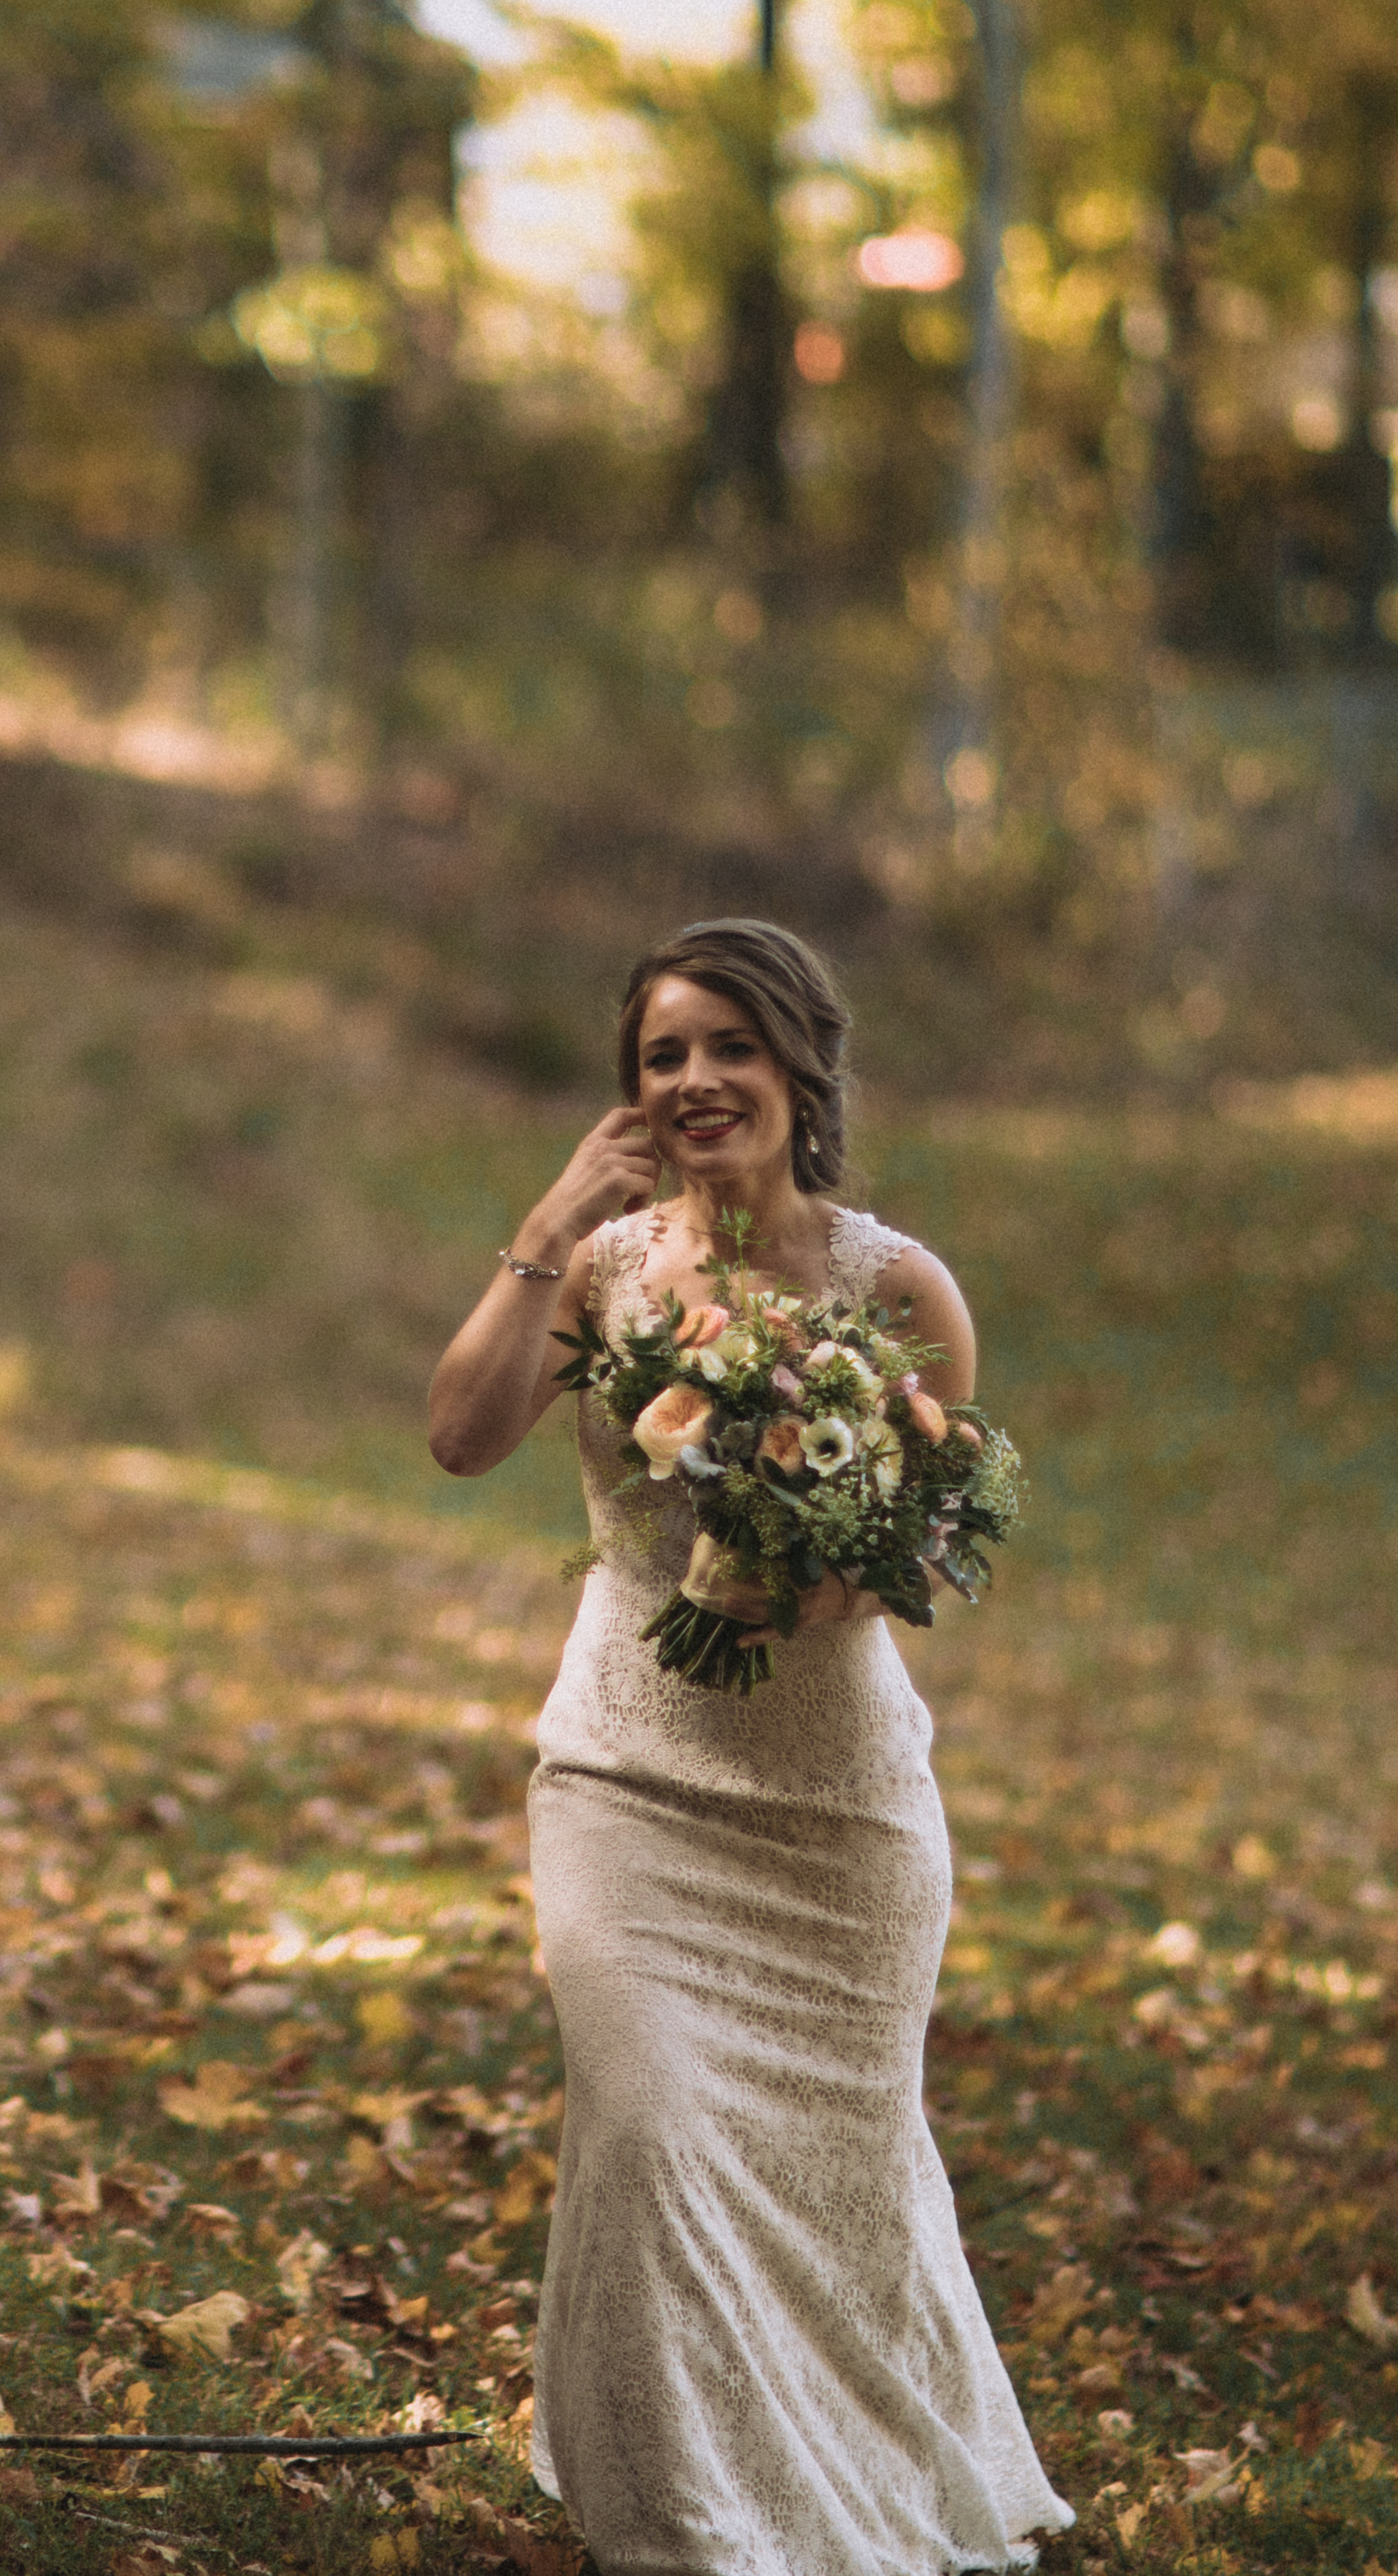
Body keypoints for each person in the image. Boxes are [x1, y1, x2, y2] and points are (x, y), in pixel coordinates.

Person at [423, 917, 1068, 2576]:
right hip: (630, 1777)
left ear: (798, 1065)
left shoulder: (898, 1284)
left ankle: (841, 2504)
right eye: (664, 1053)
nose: (697, 1078)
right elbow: (459, 1434)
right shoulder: (606, 1267)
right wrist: (551, 1222)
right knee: (644, 2126)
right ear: (631, 1090)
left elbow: (929, 1551)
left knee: (838, 2181)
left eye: (729, 1045)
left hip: (837, 1815)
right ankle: (686, 2526)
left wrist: (820, 1545)